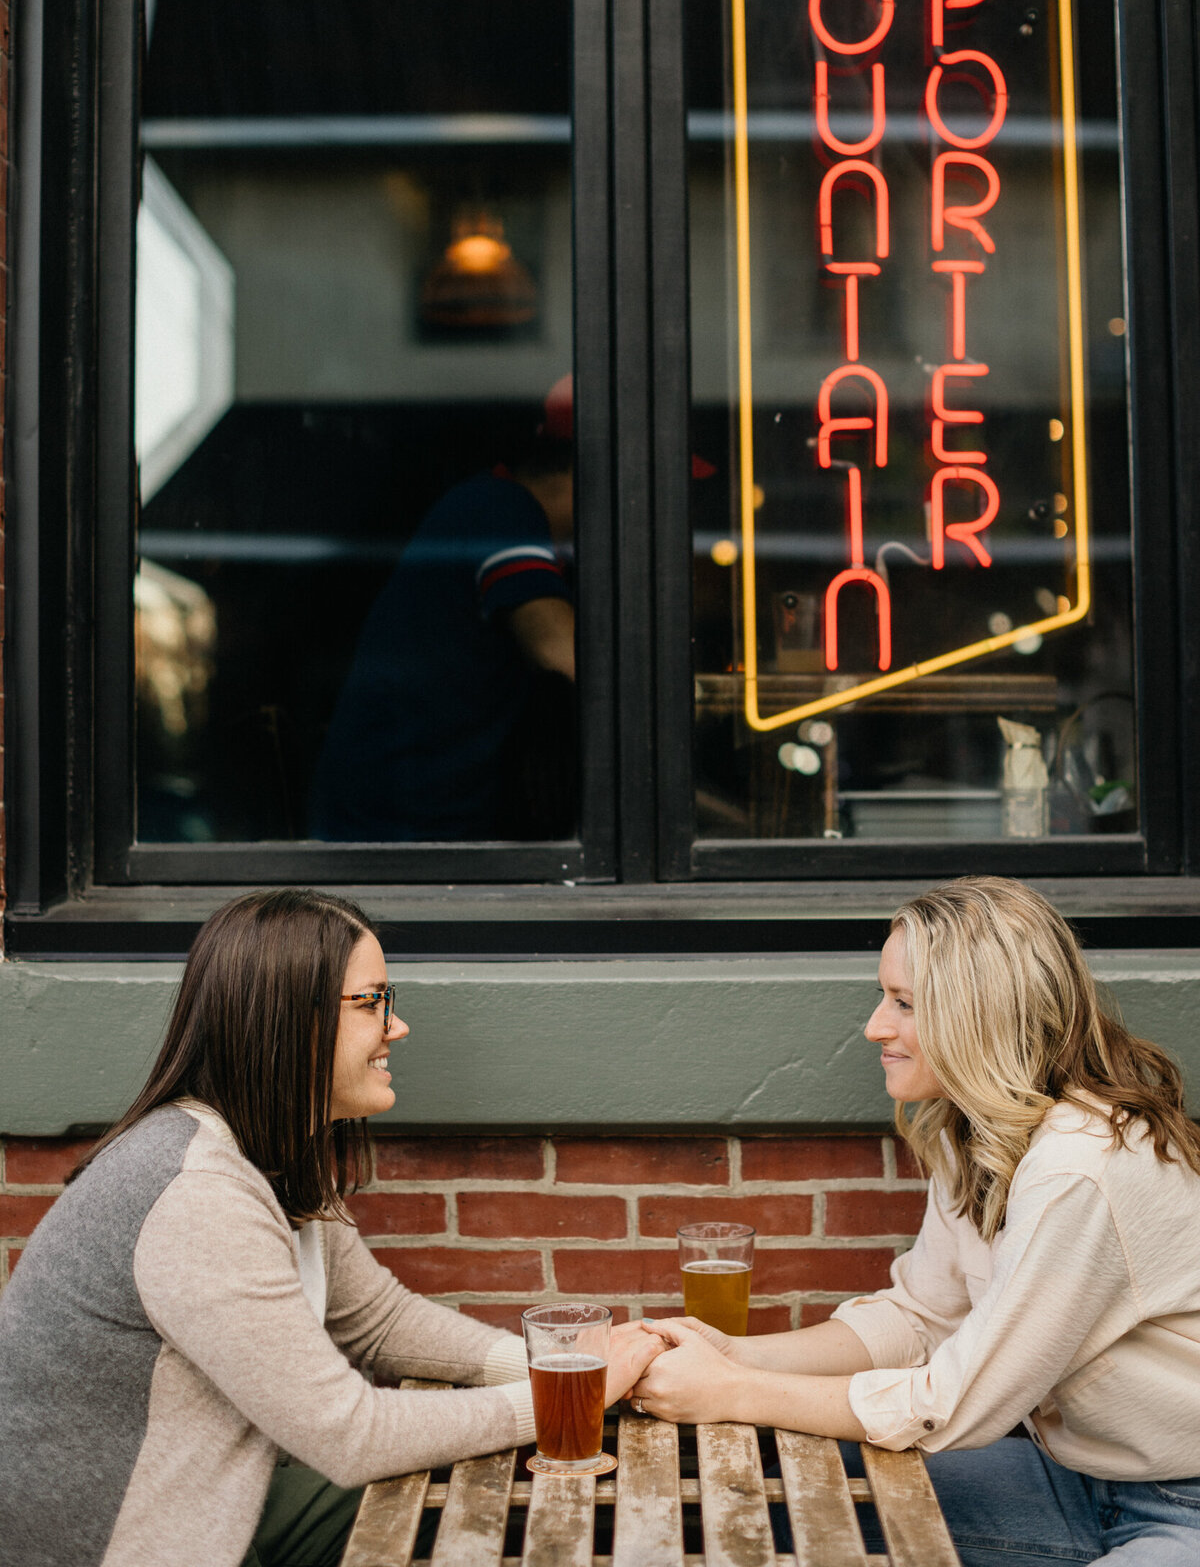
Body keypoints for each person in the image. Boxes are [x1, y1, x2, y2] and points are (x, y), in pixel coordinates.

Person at [0, 889, 662, 1567]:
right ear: (291, 1021)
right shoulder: (197, 1193)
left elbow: (376, 1321)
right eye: (371, 1001)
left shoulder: (268, 1149)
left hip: (235, 1484)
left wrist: (557, 1366)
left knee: (478, 1507)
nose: (396, 1026)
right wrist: (562, 1403)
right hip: (138, 1539)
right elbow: (351, 1434)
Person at [629, 877, 1200, 1566]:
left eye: (903, 1003)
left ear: (979, 1014)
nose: (875, 1026)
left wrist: (736, 1390)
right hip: (1079, 1481)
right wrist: (735, 1354)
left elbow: (958, 1401)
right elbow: (920, 1318)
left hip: (1183, 1508)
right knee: (775, 1498)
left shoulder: (1081, 1167)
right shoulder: (980, 1132)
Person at [309, 382, 576, 842]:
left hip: (413, 822)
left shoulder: (492, 507)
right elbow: (561, 651)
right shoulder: (501, 509)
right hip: (395, 833)